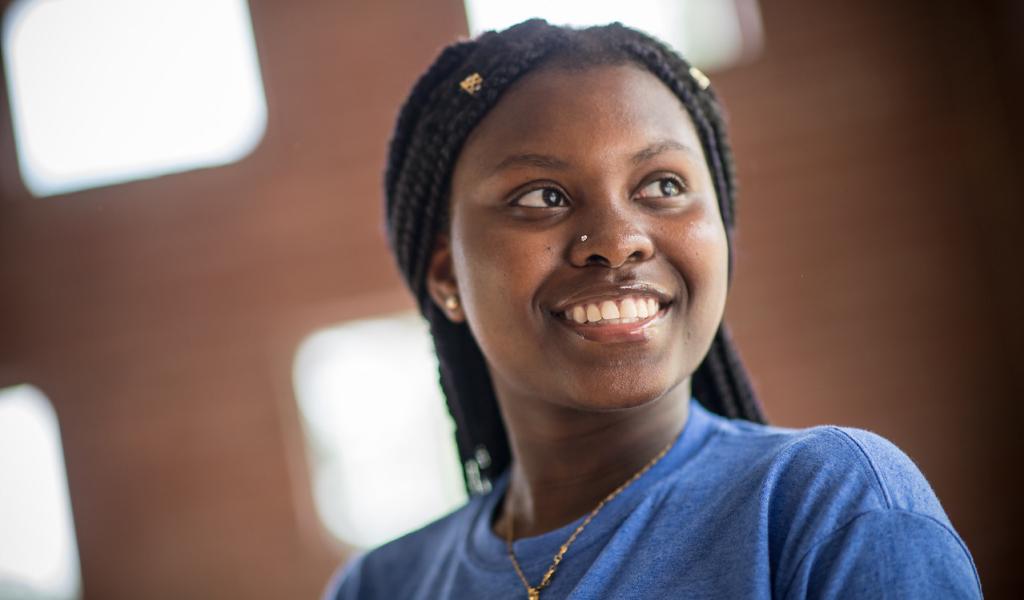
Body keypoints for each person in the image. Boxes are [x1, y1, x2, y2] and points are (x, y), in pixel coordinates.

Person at [325, 19, 982, 599]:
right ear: (446, 276)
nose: (616, 241)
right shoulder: (380, 586)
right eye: (542, 196)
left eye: (663, 185)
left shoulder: (825, 503)